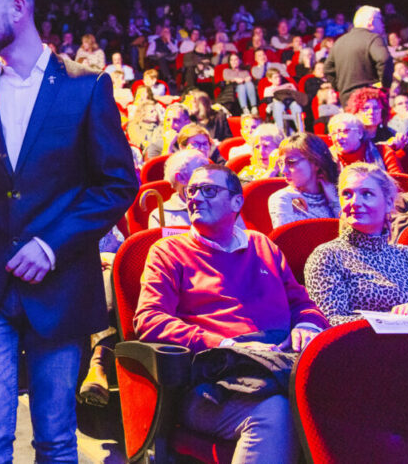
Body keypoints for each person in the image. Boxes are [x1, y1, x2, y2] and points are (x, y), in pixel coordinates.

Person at [0, 0, 137, 462]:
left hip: (60, 288)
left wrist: (51, 243)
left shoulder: (86, 87)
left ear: (18, 7)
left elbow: (117, 184)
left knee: (58, 441)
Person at [135, 165, 328, 464]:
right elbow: (150, 320)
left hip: (280, 365)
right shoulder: (168, 251)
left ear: (237, 202)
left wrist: (306, 323)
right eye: (192, 191)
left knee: (342, 395)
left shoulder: (262, 245)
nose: (196, 198)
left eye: (208, 190)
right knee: (275, 411)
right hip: (215, 381)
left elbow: (301, 303)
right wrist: (225, 345)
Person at [305, 163, 408, 325]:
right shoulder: (327, 255)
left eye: (367, 194)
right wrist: (402, 319)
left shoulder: (407, 255)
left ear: (389, 203)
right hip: (364, 348)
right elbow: (330, 321)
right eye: (347, 194)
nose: (355, 202)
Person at [268, 133, 340, 228]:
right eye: (281, 163)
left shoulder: (336, 192)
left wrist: (334, 201)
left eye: (291, 162)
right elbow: (285, 240)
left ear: (316, 163)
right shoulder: (283, 198)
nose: (283, 171)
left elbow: (351, 237)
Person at [325, 5, 391, 108]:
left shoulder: (340, 41)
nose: (383, 24)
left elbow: (328, 69)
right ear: (371, 21)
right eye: (380, 20)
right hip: (369, 99)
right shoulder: (373, 38)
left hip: (346, 99)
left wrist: (340, 87)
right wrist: (385, 85)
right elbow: (384, 59)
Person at [148, 149, 208, 228]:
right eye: (200, 170)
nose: (208, 174)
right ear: (180, 178)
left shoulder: (218, 203)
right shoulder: (162, 216)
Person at [263, 69, 304, 135]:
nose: (278, 79)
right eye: (275, 77)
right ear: (270, 79)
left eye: (279, 77)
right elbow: (268, 99)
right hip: (277, 104)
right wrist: (282, 88)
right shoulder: (268, 89)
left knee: (296, 106)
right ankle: (281, 131)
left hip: (290, 102)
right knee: (278, 105)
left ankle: (300, 131)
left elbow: (296, 94)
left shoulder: (289, 85)